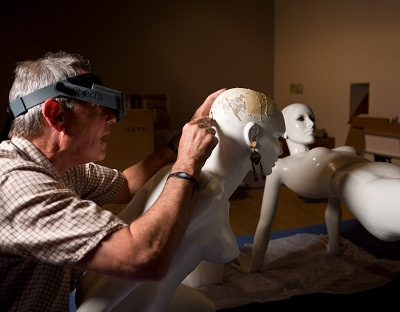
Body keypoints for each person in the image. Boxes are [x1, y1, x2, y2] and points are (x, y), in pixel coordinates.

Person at [0, 51, 225, 311]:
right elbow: (144, 257)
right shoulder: (15, 186)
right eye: (97, 106)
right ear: (57, 115)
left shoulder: (61, 169)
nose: (110, 119)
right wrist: (188, 164)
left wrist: (176, 146)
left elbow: (126, 185)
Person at [74, 88, 285, 311]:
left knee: (205, 307)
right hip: (137, 305)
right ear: (253, 137)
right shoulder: (201, 189)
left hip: (146, 290)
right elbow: (125, 268)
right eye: (278, 137)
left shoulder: (176, 174)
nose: (280, 150)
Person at [231, 102, 400, 274]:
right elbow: (265, 221)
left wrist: (333, 246)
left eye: (312, 118)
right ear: (284, 131)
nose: (311, 124)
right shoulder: (280, 167)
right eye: (301, 119)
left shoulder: (331, 152)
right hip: (367, 188)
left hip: (387, 171)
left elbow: (333, 206)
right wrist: (254, 266)